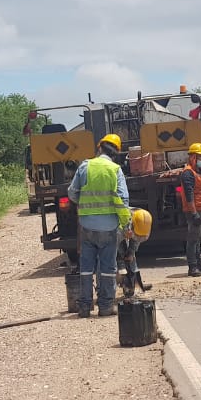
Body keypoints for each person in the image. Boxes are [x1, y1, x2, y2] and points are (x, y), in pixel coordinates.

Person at [68, 133, 131, 318]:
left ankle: (84, 308)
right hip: (109, 227)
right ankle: (105, 307)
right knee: (108, 268)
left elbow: (72, 193)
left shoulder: (85, 166)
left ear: (99, 148)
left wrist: (84, 203)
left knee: (86, 267)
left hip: (87, 226)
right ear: (116, 153)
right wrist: (125, 224)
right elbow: (123, 199)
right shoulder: (115, 170)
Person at [180, 143, 201, 277]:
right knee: (193, 238)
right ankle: (192, 266)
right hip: (194, 211)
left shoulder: (199, 172)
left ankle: (199, 263)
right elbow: (189, 196)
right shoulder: (188, 173)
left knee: (198, 238)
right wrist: (194, 213)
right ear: (193, 157)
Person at [117, 208, 153, 297]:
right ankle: (122, 284)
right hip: (115, 231)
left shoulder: (144, 221)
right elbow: (116, 243)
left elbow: (136, 240)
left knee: (131, 257)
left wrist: (131, 252)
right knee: (118, 257)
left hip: (128, 229)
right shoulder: (122, 223)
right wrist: (120, 260)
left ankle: (133, 283)